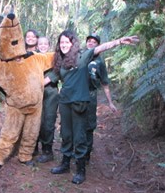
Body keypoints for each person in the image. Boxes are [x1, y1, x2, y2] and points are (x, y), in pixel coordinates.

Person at [46, 30, 138, 184]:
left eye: (66, 42)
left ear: (73, 43)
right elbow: (50, 78)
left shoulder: (82, 57)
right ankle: (65, 164)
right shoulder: (60, 61)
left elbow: (99, 49)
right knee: (66, 134)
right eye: (61, 42)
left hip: (79, 102)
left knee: (80, 136)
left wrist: (120, 41)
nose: (63, 45)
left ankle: (81, 170)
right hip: (65, 103)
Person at [85, 33, 118, 165]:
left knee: (89, 126)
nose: (91, 43)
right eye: (89, 41)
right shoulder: (81, 56)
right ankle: (75, 151)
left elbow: (105, 83)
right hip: (76, 96)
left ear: (98, 45)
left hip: (91, 96)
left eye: (94, 42)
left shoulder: (99, 63)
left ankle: (86, 154)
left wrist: (110, 102)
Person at [35, 36, 58, 163]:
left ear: (48, 46)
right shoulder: (34, 58)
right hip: (36, 94)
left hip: (50, 93)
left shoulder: (53, 59)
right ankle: (34, 147)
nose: (43, 46)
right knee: (36, 120)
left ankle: (47, 150)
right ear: (37, 46)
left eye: (45, 44)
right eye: (40, 44)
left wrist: (39, 83)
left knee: (48, 122)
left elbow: (55, 74)